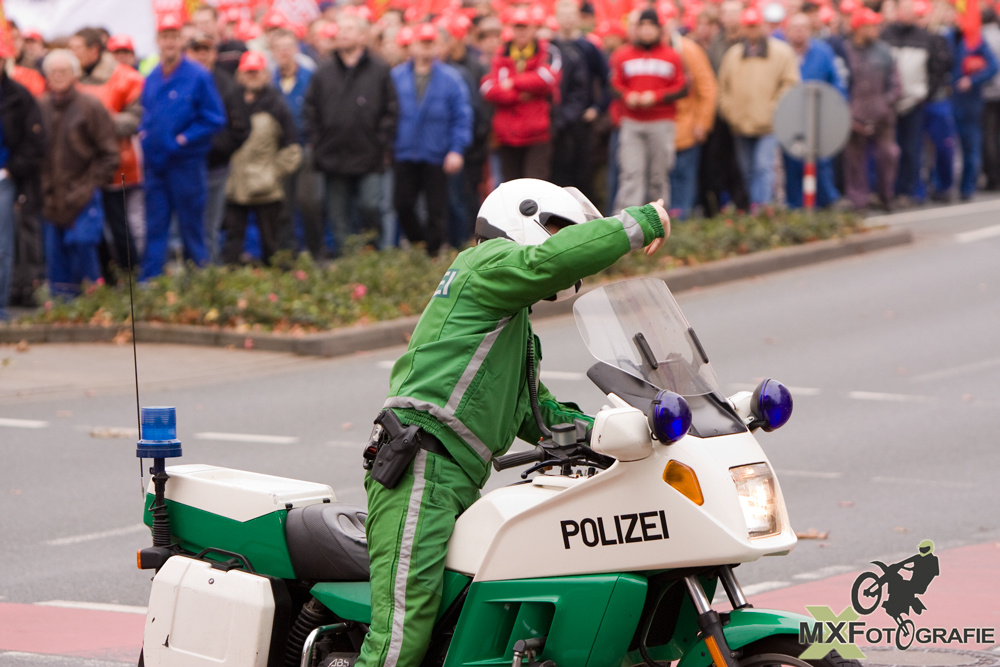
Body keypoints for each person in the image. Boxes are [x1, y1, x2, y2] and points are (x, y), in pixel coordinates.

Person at [358, 178, 671, 667]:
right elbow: (547, 261)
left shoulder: (508, 318)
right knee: (402, 632)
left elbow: (535, 411)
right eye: (556, 227)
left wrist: (621, 431)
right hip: (421, 464)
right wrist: (640, 223)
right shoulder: (484, 264)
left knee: (453, 624)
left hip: (454, 475)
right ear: (524, 216)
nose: (562, 240)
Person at [138, 13, 226, 280]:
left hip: (186, 165)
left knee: (192, 229)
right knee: (156, 228)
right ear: (157, 41)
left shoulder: (198, 75)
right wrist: (144, 133)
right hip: (156, 166)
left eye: (174, 37)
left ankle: (200, 284)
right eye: (164, 37)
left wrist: (184, 139)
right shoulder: (152, 76)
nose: (169, 42)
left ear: (181, 41)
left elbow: (215, 118)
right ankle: (149, 284)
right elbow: (146, 113)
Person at [304, 9, 398, 255]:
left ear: (363, 36)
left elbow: (392, 109)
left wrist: (380, 141)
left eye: (349, 29)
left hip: (369, 154)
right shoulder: (324, 70)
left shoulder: (379, 69)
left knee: (370, 206)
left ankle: (374, 254)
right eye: (340, 30)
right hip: (333, 156)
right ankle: (346, 262)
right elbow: (310, 109)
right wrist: (318, 142)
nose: (342, 34)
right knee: (338, 215)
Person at [37, 50, 119, 297]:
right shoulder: (40, 106)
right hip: (51, 195)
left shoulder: (90, 106)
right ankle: (62, 308)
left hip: (83, 192)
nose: (58, 76)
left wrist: (92, 183)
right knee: (55, 255)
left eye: (64, 71)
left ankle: (94, 300)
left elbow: (110, 153)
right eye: (54, 72)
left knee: (83, 244)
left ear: (75, 74)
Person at [391, 23, 472, 255]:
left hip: (436, 152)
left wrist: (456, 149)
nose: (425, 49)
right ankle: (420, 244)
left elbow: (462, 116)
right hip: (404, 151)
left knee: (436, 208)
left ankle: (434, 253)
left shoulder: (451, 79)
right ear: (412, 46)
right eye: (421, 43)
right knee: (402, 204)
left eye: (430, 43)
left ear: (437, 46)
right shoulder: (396, 77)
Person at [70, 27, 145, 277]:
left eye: (77, 48)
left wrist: (101, 122)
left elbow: (138, 120)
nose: (72, 54)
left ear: (93, 50)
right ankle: (104, 277)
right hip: (82, 164)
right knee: (92, 227)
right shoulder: (70, 77)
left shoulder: (127, 78)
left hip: (118, 163)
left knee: (119, 223)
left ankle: (130, 274)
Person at [221, 51, 302, 265]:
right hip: (235, 186)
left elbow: (292, 148)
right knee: (232, 243)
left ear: (265, 74)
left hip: (267, 189)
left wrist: (272, 174)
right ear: (240, 74)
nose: (252, 76)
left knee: (272, 245)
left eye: (256, 72)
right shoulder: (229, 100)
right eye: (248, 72)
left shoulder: (276, 104)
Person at [718, 6, 800, 208]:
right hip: (741, 124)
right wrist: (732, 113)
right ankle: (758, 208)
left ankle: (760, 209)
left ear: (763, 26)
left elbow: (791, 84)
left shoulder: (781, 53)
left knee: (763, 166)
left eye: (755, 26)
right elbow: (722, 89)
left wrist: (775, 110)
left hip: (769, 125)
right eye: (748, 26)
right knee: (746, 169)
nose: (752, 31)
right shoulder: (733, 55)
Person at [610, 8, 687, 211]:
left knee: (658, 176)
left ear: (658, 29)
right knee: (631, 174)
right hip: (632, 122)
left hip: (661, 122)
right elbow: (613, 84)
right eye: (642, 26)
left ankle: (659, 220)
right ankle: (626, 224)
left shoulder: (672, 56)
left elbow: (682, 87)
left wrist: (656, 96)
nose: (646, 31)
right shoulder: (622, 55)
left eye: (650, 26)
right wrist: (628, 95)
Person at [184, 31, 252, 264]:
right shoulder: (180, 79)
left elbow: (241, 128)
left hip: (215, 166)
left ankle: (208, 275)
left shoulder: (226, 83)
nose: (201, 55)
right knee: (185, 225)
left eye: (206, 51)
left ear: (214, 54)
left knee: (210, 226)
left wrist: (216, 149)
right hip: (183, 165)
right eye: (196, 50)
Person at [881, 0, 951, 204]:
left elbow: (936, 69)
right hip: (890, 102)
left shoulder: (925, 38)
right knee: (889, 149)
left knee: (912, 148)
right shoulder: (886, 35)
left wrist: (925, 93)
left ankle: (909, 190)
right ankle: (889, 189)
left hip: (915, 102)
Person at [481, 7, 562, 181]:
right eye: (518, 26)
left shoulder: (547, 51)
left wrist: (512, 83)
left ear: (534, 28)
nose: (521, 31)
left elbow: (547, 78)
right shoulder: (500, 53)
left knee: (535, 186)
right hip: (506, 135)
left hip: (537, 134)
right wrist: (520, 95)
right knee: (511, 187)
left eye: (525, 26)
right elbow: (487, 88)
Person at [780, 12, 846, 208]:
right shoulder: (780, 52)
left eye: (804, 28)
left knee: (821, 159)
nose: (799, 32)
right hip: (790, 116)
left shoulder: (823, 51)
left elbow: (838, 81)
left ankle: (827, 201)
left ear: (810, 30)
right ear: (787, 31)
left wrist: (835, 108)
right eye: (795, 28)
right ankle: (796, 206)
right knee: (792, 160)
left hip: (819, 114)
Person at [0, 45, 45, 319]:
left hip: (4, 179)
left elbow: (34, 141)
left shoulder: (19, 95)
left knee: (3, 247)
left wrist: (12, 170)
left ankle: (0, 306)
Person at [842, 8, 901, 211]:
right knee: (854, 161)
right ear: (858, 28)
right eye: (870, 25)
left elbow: (895, 84)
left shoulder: (884, 51)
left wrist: (885, 103)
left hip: (882, 115)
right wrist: (848, 112)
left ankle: (886, 196)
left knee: (887, 155)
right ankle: (859, 201)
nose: (875, 29)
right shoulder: (845, 51)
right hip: (854, 115)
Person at [271, 27, 322, 255]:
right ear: (272, 51)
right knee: (282, 204)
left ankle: (315, 249)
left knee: (309, 202)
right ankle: (287, 252)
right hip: (279, 151)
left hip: (306, 146)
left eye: (287, 47)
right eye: (278, 48)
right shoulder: (269, 82)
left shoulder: (311, 78)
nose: (283, 52)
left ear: (296, 49)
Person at [948, 22, 998, 200]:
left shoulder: (975, 40)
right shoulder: (945, 36)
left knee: (970, 145)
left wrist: (972, 80)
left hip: (969, 101)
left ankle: (967, 188)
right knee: (946, 144)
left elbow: (992, 66)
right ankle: (944, 187)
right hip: (948, 98)